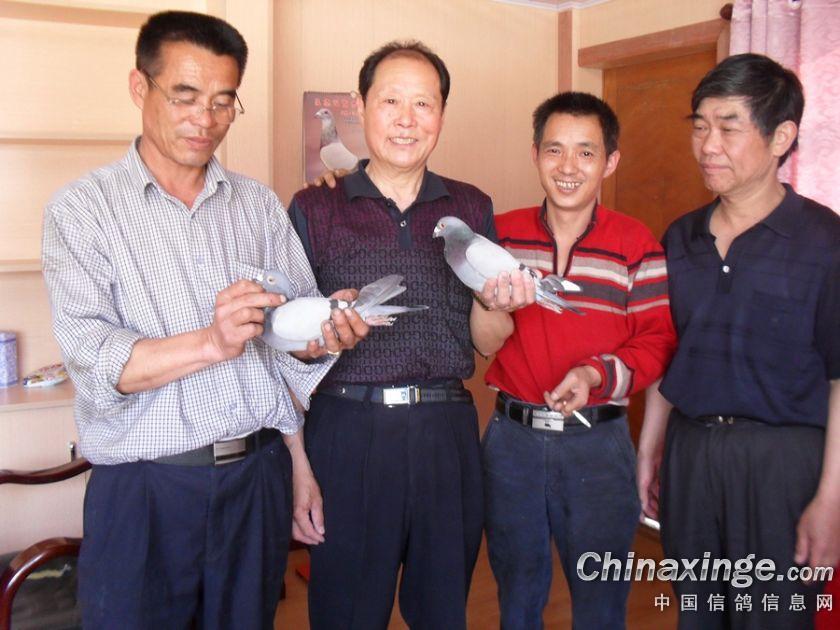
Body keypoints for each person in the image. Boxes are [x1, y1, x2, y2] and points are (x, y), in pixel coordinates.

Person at [42, 11, 367, 628]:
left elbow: (283, 347)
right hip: (145, 489)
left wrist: (322, 332)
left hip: (257, 478)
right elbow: (97, 361)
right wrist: (213, 341)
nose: (205, 119)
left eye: (223, 102)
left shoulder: (257, 205)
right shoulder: (83, 211)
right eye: (185, 96)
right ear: (140, 87)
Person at [286, 40, 532, 630]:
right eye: (390, 100)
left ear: (442, 113)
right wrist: (297, 462)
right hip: (346, 430)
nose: (406, 119)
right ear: (361, 106)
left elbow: (489, 341)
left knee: (442, 610)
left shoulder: (470, 205)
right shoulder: (315, 208)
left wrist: (492, 300)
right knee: (346, 613)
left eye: (423, 103)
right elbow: (288, 347)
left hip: (444, 431)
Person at [637, 53, 840, 629]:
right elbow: (668, 352)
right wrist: (649, 450)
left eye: (728, 127)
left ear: (782, 137)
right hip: (692, 454)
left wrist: (831, 500)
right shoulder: (680, 237)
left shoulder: (826, 240)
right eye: (700, 126)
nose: (708, 145)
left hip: (785, 463)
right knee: (698, 615)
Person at [472, 92, 677, 629]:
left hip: (598, 446)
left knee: (601, 604)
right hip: (511, 444)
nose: (568, 167)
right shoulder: (499, 235)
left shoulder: (637, 244)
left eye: (586, 152)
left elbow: (657, 342)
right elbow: (482, 337)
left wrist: (594, 374)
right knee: (517, 597)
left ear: (610, 161)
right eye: (554, 149)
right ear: (535, 154)